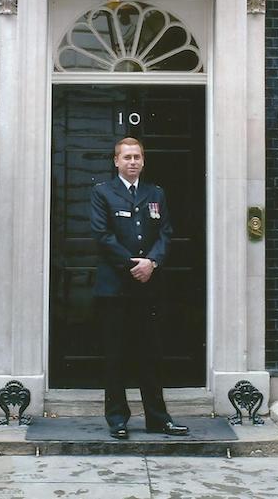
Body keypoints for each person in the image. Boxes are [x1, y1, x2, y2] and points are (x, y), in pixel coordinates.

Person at [90, 136, 190, 440]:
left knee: (151, 354)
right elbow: (102, 234)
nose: (132, 162)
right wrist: (134, 264)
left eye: (137, 157)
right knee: (116, 354)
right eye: (127, 157)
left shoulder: (155, 193)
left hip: (148, 288)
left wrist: (153, 263)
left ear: (143, 161)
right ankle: (117, 419)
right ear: (116, 161)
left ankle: (158, 419)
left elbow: (165, 232)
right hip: (115, 289)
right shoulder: (102, 193)